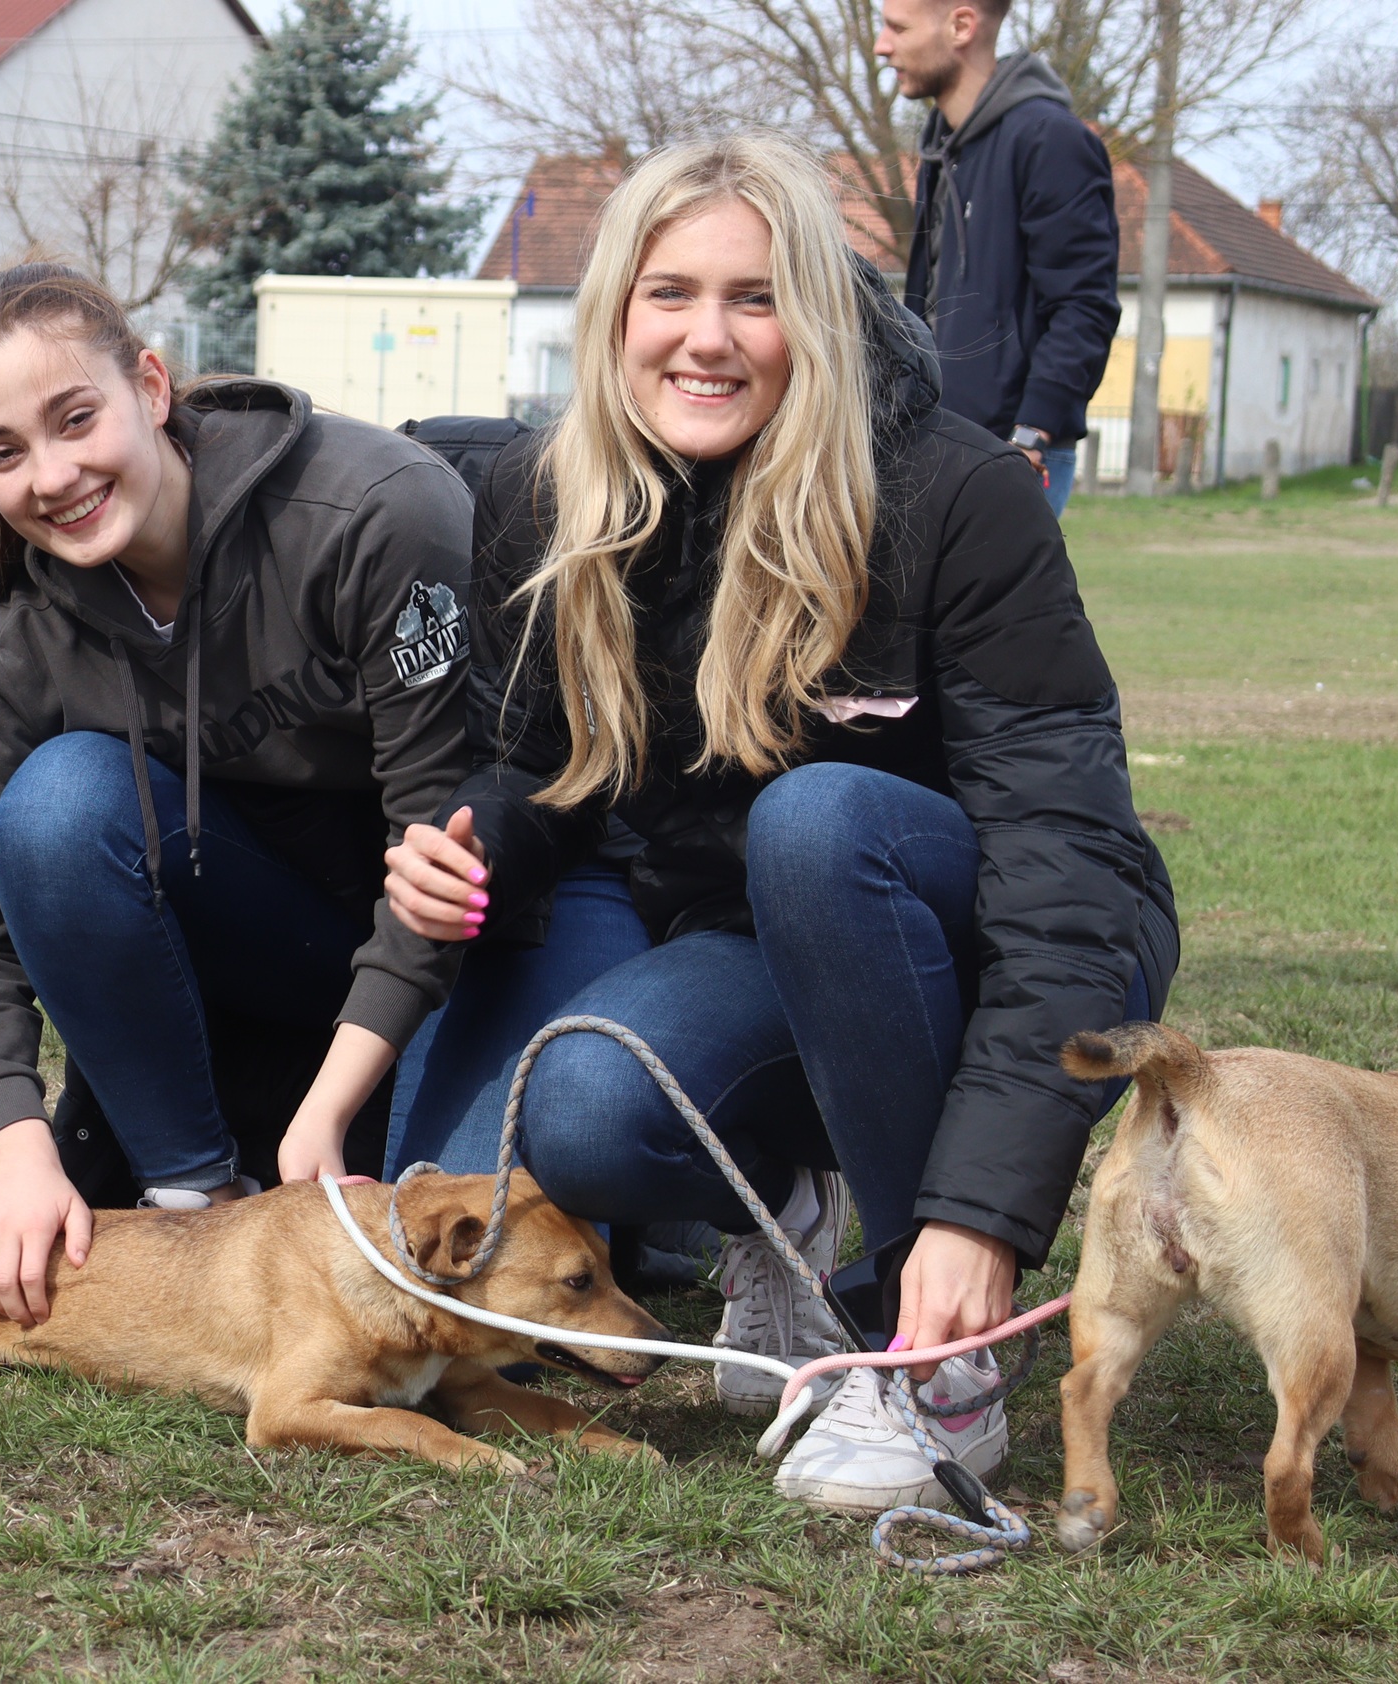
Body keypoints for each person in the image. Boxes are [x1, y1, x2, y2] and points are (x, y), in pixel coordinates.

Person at [384, 134, 1176, 1513]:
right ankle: (790, 1224)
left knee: (813, 825)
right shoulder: (546, 493)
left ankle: (929, 1356)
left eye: (755, 298)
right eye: (669, 294)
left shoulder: (956, 494)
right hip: (761, 939)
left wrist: (977, 1215)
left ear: (816, 312)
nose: (709, 338)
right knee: (579, 1113)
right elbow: (540, 769)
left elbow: (1068, 874)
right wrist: (476, 840)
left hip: (1005, 936)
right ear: (612, 314)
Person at [0, 264, 476, 1327]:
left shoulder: (374, 511)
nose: (51, 474)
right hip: (249, 963)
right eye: (3, 451)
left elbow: (441, 850)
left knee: (474, 1288)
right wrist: (16, 1154)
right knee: (57, 808)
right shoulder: (30, 643)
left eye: (75, 418)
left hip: (436, 964)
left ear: (154, 388)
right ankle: (196, 1192)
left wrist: (326, 1116)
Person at [879, 0, 1121, 514]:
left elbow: (1084, 305)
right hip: (937, 443)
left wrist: (1033, 431)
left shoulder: (1050, 141)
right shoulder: (943, 149)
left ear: (961, 25)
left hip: (1015, 453)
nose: (883, 46)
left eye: (897, 27)